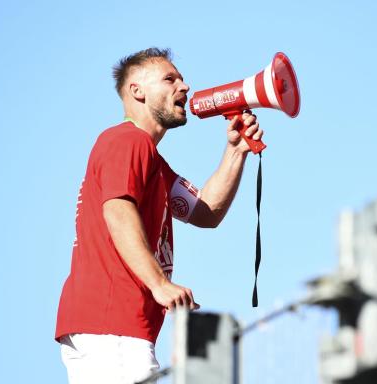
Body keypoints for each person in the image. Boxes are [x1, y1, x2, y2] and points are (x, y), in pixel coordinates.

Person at [55, 47, 263, 384]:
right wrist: (159, 284)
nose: (184, 86)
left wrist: (236, 151)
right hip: (113, 324)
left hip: (113, 328)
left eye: (181, 79)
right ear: (137, 90)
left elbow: (205, 211)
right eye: (170, 79)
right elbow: (118, 210)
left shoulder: (150, 159)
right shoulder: (128, 141)